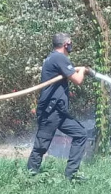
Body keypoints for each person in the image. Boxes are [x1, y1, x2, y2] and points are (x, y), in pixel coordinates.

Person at [27, 33, 90, 180]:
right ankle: (29, 177)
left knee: (80, 134)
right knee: (41, 145)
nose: (71, 45)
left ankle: (71, 175)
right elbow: (78, 80)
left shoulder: (54, 58)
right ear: (66, 44)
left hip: (58, 111)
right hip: (50, 111)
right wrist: (84, 70)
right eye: (71, 43)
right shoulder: (58, 58)